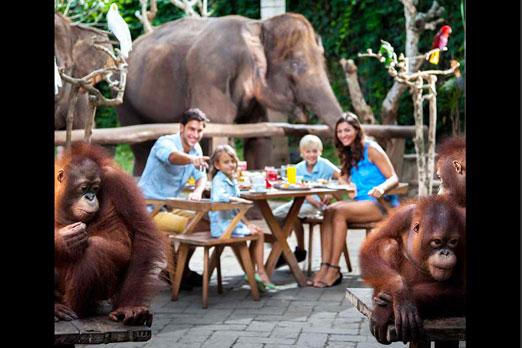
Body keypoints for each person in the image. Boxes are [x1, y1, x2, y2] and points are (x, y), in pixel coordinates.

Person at [309, 112, 399, 288]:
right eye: (340, 131)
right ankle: (325, 267)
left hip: (380, 202)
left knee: (339, 211)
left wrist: (381, 188)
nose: (343, 135)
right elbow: (343, 177)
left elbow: (393, 177)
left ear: (357, 130)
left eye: (347, 130)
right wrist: (345, 184)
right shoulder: (349, 151)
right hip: (360, 201)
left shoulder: (371, 149)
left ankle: (334, 269)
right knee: (328, 210)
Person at [138, 108, 211, 290]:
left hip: (169, 206)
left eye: (199, 131)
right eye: (192, 129)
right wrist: (191, 160)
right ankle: (178, 272)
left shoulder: (196, 149)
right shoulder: (166, 142)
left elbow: (201, 176)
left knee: (207, 224)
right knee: (196, 227)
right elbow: (173, 158)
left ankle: (176, 271)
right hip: (148, 209)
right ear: (181, 128)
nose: (195, 135)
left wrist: (198, 190)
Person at [209, 144, 275, 291]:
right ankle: (259, 272)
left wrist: (247, 224)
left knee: (255, 231)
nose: (231, 165)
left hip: (231, 223)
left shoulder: (231, 179)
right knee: (259, 234)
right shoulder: (219, 180)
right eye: (226, 162)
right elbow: (219, 197)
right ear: (217, 165)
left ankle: (252, 272)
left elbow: (237, 211)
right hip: (223, 226)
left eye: (233, 161)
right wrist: (239, 200)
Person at [272, 134, 343, 268]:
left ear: (320, 152)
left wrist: (330, 192)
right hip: (301, 202)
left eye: (314, 151)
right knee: (275, 215)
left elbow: (342, 177)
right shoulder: (298, 168)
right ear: (302, 152)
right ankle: (283, 248)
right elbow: (297, 189)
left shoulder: (325, 165)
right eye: (308, 152)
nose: (311, 155)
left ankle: (297, 250)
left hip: (318, 205)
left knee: (293, 214)